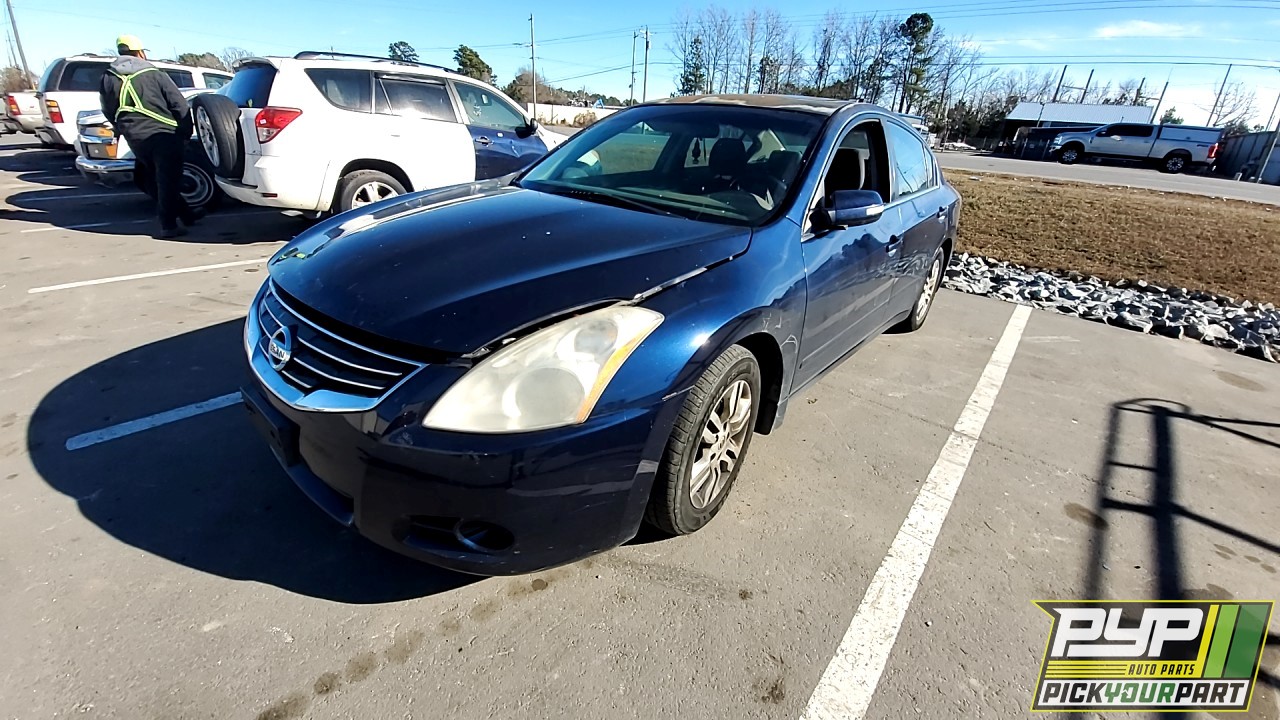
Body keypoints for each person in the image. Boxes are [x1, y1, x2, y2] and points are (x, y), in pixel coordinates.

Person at [99, 35, 203, 238]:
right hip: (164, 133)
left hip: (134, 136)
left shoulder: (108, 77)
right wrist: (185, 131)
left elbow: (107, 108)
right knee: (167, 180)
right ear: (140, 53)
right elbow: (179, 104)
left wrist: (120, 127)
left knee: (152, 178)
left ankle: (187, 214)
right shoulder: (154, 74)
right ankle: (169, 226)